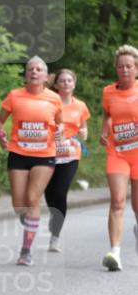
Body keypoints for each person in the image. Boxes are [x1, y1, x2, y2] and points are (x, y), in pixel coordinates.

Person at [0, 57, 63, 265]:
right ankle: (30, 221)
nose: (34, 72)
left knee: (33, 199)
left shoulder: (54, 98)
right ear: (26, 75)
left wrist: (59, 132)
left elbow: (59, 124)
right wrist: (0, 135)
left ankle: (26, 251)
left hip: (44, 155)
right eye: (30, 69)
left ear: (45, 76)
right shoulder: (15, 96)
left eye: (39, 69)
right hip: (18, 153)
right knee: (19, 205)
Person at [99, 44, 138, 272]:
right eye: (121, 66)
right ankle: (115, 252)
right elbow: (107, 116)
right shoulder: (108, 92)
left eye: (129, 66)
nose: (124, 70)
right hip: (117, 153)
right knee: (117, 201)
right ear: (116, 68)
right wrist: (104, 132)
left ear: (136, 69)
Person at [44, 69, 90, 252]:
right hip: (49, 153)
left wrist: (84, 133)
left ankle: (55, 237)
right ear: (56, 85)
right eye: (62, 81)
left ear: (74, 84)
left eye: (69, 80)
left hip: (70, 155)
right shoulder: (49, 103)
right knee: (49, 194)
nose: (66, 84)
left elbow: (83, 127)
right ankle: (55, 216)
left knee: (61, 193)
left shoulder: (80, 106)